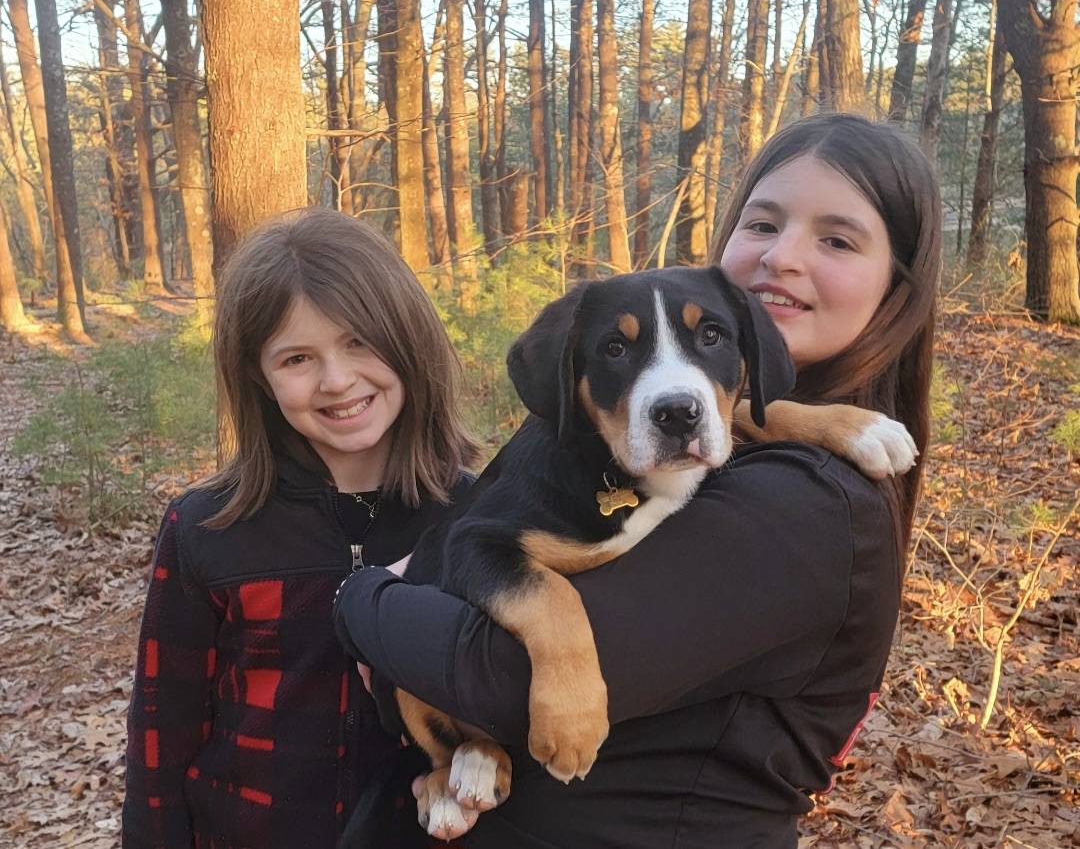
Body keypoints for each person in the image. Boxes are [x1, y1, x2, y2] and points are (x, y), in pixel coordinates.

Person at [334, 113, 942, 848]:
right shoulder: (719, 443)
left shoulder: (810, 510)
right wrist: (798, 419)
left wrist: (361, 598)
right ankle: (453, 763)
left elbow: (492, 675)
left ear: (897, 283)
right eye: (763, 223)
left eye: (838, 239)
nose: (783, 256)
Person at [122, 208, 480, 849]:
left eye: (360, 342)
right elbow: (161, 733)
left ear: (409, 339)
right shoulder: (208, 527)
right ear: (258, 376)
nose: (337, 381)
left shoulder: (472, 518)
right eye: (297, 358)